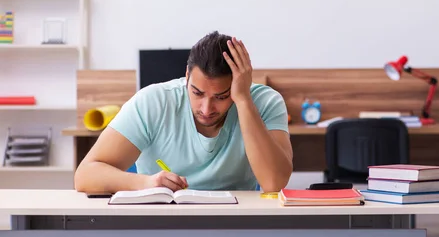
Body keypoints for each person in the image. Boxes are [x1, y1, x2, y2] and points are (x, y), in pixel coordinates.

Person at [74, 31, 293, 194]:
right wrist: (147, 183)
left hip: (235, 224)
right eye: (197, 93)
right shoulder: (153, 101)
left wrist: (243, 100)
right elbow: (85, 176)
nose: (206, 109)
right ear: (186, 75)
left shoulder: (264, 102)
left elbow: (274, 183)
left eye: (222, 97)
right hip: (161, 220)